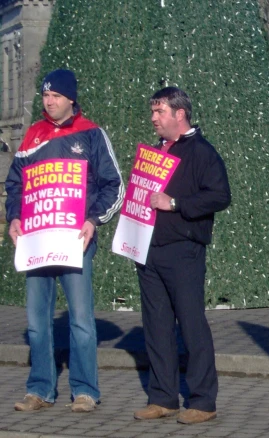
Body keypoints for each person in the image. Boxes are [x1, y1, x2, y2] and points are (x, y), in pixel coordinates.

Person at [4, 69, 124, 413]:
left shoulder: (91, 134)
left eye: (55, 95)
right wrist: (14, 216)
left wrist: (93, 220)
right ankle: (40, 388)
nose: (49, 101)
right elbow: (15, 185)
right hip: (36, 243)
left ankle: (85, 390)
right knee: (35, 322)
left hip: (76, 242)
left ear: (71, 98)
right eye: (45, 96)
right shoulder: (32, 137)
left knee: (82, 319)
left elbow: (113, 184)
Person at [132, 87, 231, 425]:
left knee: (191, 324)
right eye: (153, 111)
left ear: (179, 114)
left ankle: (203, 400)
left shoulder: (202, 152)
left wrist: (175, 204)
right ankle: (162, 397)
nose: (153, 118)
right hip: (148, 249)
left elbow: (220, 195)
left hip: (183, 249)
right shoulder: (153, 152)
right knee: (156, 326)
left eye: (159, 111)